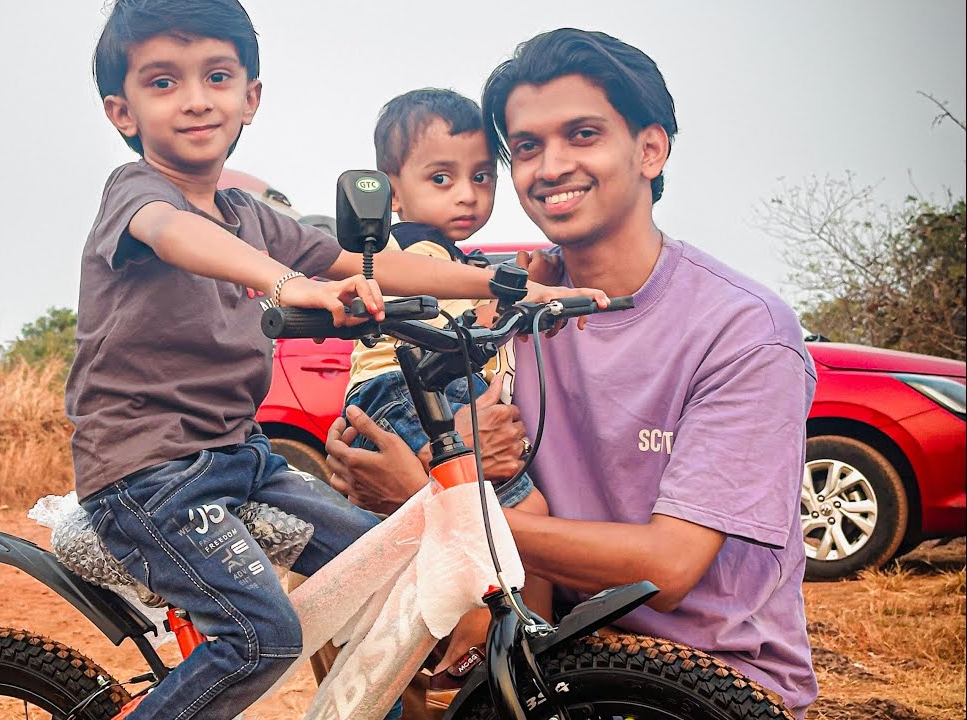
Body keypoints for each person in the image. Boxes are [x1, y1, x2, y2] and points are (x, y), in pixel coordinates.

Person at [66, 3, 608, 717]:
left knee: (389, 572)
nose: (196, 99)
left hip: (241, 455)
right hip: (147, 472)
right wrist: (289, 283)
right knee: (261, 638)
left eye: (217, 76)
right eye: (163, 82)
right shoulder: (137, 194)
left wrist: (509, 283)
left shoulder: (252, 216)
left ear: (249, 97)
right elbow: (173, 234)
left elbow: (372, 262)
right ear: (122, 112)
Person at [326, 28, 818, 718]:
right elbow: (391, 407)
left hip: (701, 683)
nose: (550, 166)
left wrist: (443, 514)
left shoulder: (742, 329)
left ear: (650, 148)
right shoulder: (505, 308)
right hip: (541, 662)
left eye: (582, 135)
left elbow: (669, 568)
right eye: (526, 146)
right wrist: (365, 463)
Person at [332, 87, 552, 715]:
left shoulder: (450, 255)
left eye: (481, 177)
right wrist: (504, 301)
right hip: (404, 391)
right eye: (442, 177)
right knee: (517, 511)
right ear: (392, 193)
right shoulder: (413, 252)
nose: (467, 194)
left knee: (479, 518)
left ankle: (474, 643)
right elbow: (442, 320)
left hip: (417, 386)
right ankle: (479, 644)